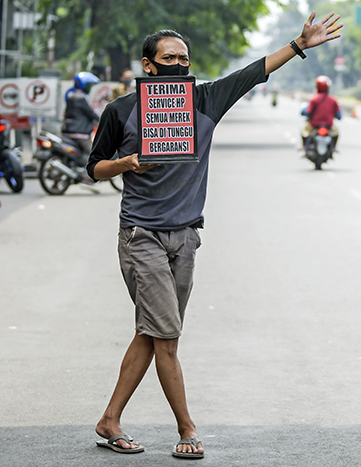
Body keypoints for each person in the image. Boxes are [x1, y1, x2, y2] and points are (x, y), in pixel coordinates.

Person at [87, 11, 341, 459]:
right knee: (165, 335)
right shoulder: (121, 110)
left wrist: (299, 45)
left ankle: (110, 419)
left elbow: (251, 73)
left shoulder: (204, 101)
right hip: (141, 235)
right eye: (169, 58)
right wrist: (128, 163)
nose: (179, 65)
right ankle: (187, 430)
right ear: (148, 65)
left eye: (184, 58)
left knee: (153, 333)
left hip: (185, 237)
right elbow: (94, 168)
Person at [62, 71, 100, 155]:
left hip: (69, 130)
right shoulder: (80, 97)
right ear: (83, 85)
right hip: (79, 133)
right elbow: (91, 113)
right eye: (89, 85)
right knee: (95, 155)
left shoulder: (72, 95)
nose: (90, 87)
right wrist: (104, 119)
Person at [301, 75, 341, 151]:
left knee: (304, 130)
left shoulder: (314, 99)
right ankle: (333, 148)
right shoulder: (333, 100)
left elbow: (309, 112)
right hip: (329, 125)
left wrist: (309, 119)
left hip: (314, 124)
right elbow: (337, 113)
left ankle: (304, 146)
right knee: (336, 132)